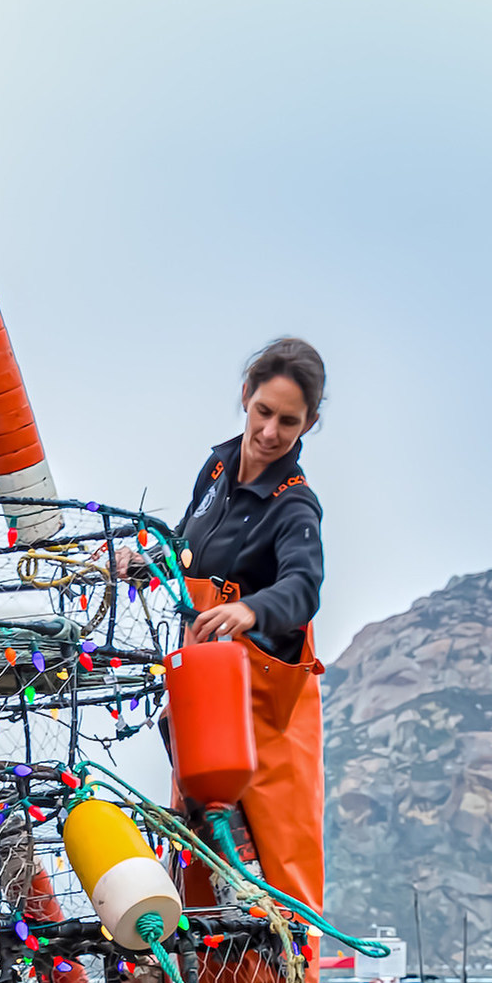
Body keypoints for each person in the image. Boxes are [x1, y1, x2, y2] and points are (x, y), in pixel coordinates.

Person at [168, 337, 333, 924]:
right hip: (204, 709)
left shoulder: (295, 506)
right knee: (197, 869)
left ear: (308, 422)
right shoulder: (216, 469)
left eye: (288, 421)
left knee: (277, 888)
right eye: (263, 411)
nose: (269, 431)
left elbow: (304, 587)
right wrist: (143, 561)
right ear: (245, 396)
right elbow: (185, 546)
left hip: (268, 723)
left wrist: (251, 610)